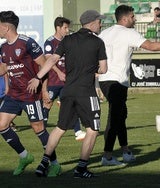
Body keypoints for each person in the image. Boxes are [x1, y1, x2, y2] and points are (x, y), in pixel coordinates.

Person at [98, 4, 160, 166]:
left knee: (120, 116)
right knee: (114, 117)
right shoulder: (128, 32)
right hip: (117, 81)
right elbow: (151, 46)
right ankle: (107, 156)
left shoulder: (104, 33)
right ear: (125, 18)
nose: (135, 19)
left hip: (104, 79)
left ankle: (126, 151)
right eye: (133, 17)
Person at [27, 10, 107, 178]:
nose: (101, 24)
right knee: (93, 129)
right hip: (86, 92)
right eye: (99, 21)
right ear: (92, 23)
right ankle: (81, 169)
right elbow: (104, 69)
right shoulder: (98, 42)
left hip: (68, 91)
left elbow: (52, 60)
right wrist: (94, 69)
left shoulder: (67, 40)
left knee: (60, 127)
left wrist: (37, 78)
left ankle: (43, 163)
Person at [0, 10, 59, 176]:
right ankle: (24, 156)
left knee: (38, 128)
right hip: (14, 94)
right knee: (1, 125)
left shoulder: (27, 43)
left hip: (31, 93)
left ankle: (54, 163)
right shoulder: (3, 47)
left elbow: (44, 65)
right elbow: (4, 68)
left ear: (5, 28)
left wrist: (45, 90)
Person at [43, 16, 86, 141]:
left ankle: (78, 131)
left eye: (68, 28)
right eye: (65, 28)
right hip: (53, 80)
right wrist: (58, 72)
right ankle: (42, 128)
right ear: (58, 28)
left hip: (67, 81)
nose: (67, 30)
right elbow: (48, 59)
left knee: (71, 103)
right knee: (47, 104)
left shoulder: (68, 41)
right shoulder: (50, 42)